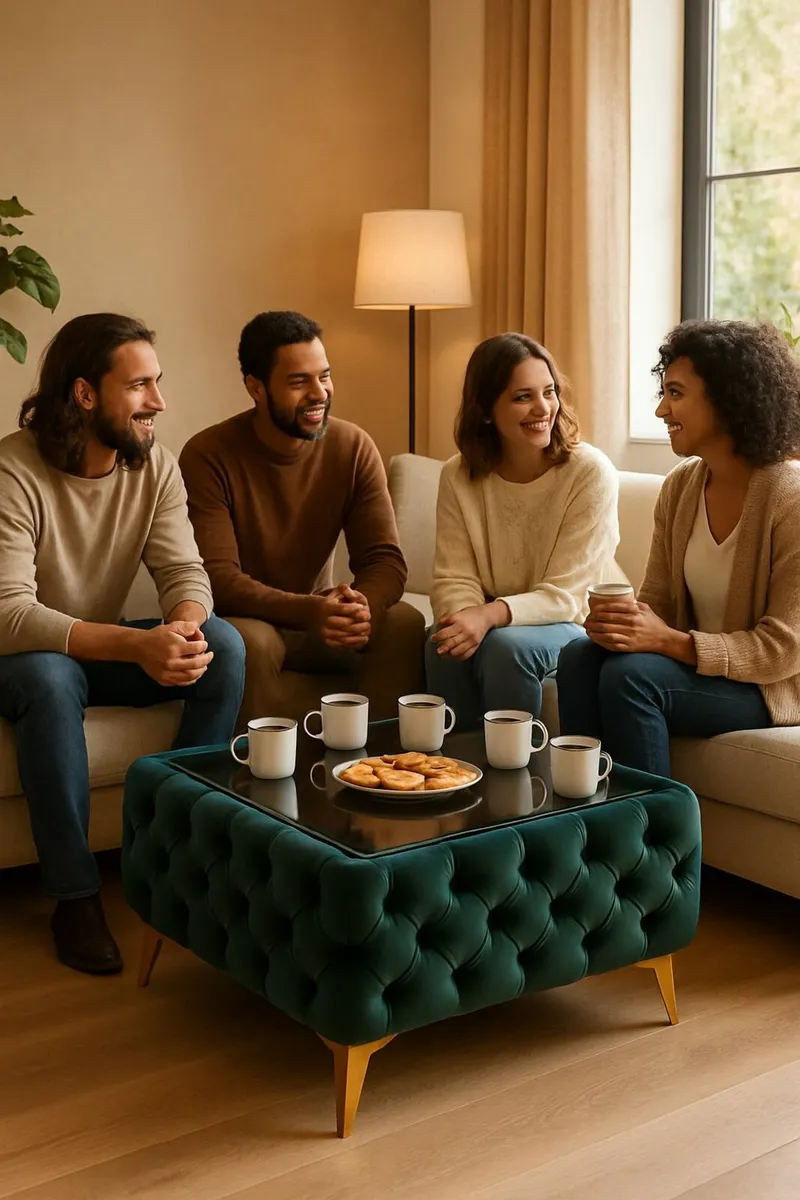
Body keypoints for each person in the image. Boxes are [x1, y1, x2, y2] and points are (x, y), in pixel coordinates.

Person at [0, 314, 246, 975]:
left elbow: (185, 573)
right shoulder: (12, 468)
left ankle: (184, 856)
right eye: (140, 386)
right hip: (19, 657)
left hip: (89, 652)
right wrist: (137, 648)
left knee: (223, 645)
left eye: (157, 383)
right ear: (85, 394)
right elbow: (10, 614)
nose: (159, 402)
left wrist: (184, 627)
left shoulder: (153, 466)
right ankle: (75, 898)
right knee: (50, 680)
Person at [557, 319, 800, 778]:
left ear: (728, 399)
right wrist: (622, 625)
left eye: (676, 393)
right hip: (702, 666)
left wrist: (669, 641)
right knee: (579, 656)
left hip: (772, 687)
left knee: (632, 679)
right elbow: (659, 604)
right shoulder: (681, 486)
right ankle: (585, 822)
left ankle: (653, 843)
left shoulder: (790, 497)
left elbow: (782, 651)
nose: (661, 410)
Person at [179, 310, 425, 718]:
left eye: (324, 376)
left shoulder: (352, 446)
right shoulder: (209, 455)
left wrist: (361, 606)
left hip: (319, 615)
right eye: (298, 382)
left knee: (402, 622)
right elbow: (218, 579)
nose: (320, 393)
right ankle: (259, 776)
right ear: (256, 388)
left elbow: (384, 560)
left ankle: (381, 769)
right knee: (251, 643)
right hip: (250, 619)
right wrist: (310, 610)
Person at [425, 332, 620, 728]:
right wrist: (464, 623)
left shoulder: (589, 472)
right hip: (501, 617)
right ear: (484, 411)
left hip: (576, 620)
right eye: (522, 396)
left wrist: (489, 616)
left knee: (506, 649)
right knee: (441, 643)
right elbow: (453, 576)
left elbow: (568, 596)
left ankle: (522, 782)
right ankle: (453, 777)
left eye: (549, 392)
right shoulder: (458, 475)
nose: (543, 408)